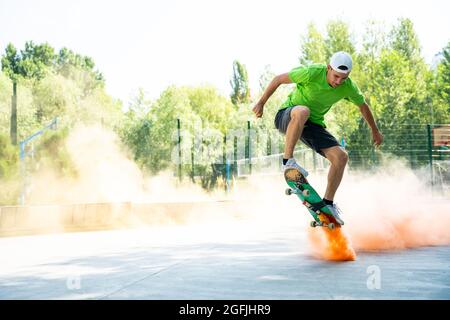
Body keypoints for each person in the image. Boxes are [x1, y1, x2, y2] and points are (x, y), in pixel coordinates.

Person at [252, 51, 383, 225]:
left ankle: (328, 204)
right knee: (303, 111)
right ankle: (287, 161)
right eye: (336, 76)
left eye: (343, 78)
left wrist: (374, 130)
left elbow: (363, 106)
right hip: (288, 115)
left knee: (341, 157)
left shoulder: (348, 86)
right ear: (329, 68)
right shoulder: (312, 72)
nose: (338, 82)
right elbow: (278, 79)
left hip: (312, 125)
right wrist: (261, 102)